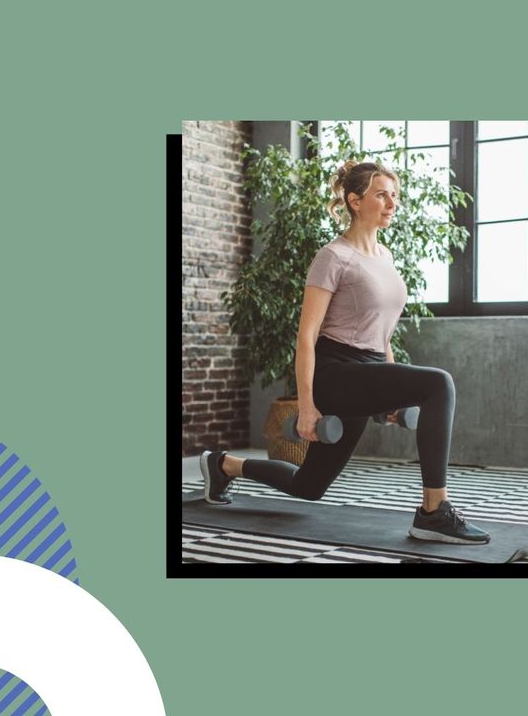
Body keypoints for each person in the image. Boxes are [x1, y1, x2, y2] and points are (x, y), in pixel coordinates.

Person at [199, 160, 489, 545]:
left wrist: (392, 392)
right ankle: (433, 512)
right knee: (439, 384)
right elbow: (306, 337)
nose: (392, 203)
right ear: (354, 201)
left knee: (309, 485)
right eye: (381, 195)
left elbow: (382, 332)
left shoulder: (384, 256)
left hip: (367, 372)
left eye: (395, 195)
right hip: (334, 372)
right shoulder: (333, 256)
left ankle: (221, 465)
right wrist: (306, 406)